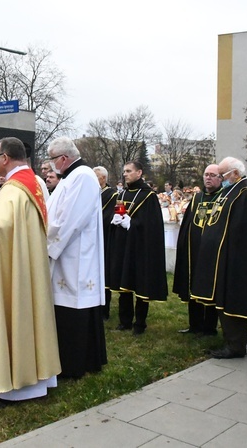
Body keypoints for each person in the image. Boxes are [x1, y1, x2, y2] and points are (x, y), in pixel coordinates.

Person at [0, 137, 60, 408]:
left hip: (12, 266)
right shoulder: (32, 183)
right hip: (28, 264)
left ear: (5, 158)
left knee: (11, 314)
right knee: (29, 312)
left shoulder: (14, 189)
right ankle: (36, 378)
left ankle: (13, 386)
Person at [191, 157, 247, 359]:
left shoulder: (246, 192)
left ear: (234, 173)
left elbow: (242, 230)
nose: (221, 179)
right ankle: (229, 340)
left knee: (234, 301)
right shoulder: (231, 190)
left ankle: (236, 345)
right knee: (222, 300)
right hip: (221, 258)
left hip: (234, 259)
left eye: (223, 175)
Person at [45, 137, 107, 379]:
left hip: (76, 255)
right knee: (67, 306)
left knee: (74, 306)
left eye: (52, 160)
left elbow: (70, 219)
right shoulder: (71, 177)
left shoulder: (82, 176)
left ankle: (74, 364)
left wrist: (48, 245)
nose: (51, 166)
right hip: (68, 253)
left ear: (63, 158)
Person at [107, 161, 167, 335]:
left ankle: (140, 323)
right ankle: (124, 321)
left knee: (140, 283)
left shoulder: (148, 196)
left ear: (139, 172)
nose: (125, 174)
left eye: (128, 171)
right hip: (123, 244)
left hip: (140, 247)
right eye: (124, 171)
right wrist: (115, 220)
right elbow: (119, 212)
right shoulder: (123, 193)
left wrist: (132, 223)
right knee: (123, 283)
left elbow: (152, 224)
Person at [173, 164, 223, 336]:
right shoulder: (197, 198)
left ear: (221, 178)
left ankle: (209, 327)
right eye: (206, 174)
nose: (208, 178)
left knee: (209, 288)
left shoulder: (223, 198)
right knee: (193, 285)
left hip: (212, 253)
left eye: (212, 175)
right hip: (194, 251)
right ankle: (194, 325)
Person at [93, 166, 117, 320]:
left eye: (96, 177)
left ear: (104, 178)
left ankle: (104, 309)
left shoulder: (111, 194)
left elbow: (108, 216)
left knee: (104, 275)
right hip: (91, 238)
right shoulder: (91, 192)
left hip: (105, 237)